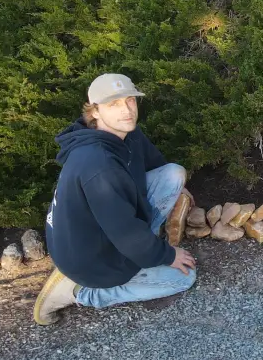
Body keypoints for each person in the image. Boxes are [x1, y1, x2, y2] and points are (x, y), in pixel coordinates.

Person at [33, 73, 196, 325]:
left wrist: (178, 190)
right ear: (95, 111)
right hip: (90, 258)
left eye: (130, 100)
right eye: (114, 104)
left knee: (173, 174)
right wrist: (166, 255)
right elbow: (126, 234)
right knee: (183, 279)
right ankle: (77, 292)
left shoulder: (125, 133)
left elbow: (154, 162)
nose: (126, 110)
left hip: (87, 234)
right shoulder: (98, 165)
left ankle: (143, 249)